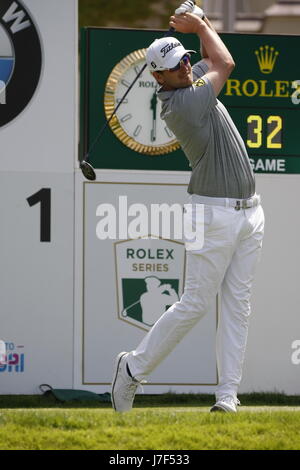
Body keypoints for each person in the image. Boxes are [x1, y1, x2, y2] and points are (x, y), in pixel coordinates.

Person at [111, 3, 265, 413]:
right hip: (211, 213)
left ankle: (227, 397)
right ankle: (132, 369)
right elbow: (226, 61)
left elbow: (211, 57)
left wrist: (201, 22)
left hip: (250, 212)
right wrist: (197, 23)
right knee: (195, 303)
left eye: (185, 59)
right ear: (158, 77)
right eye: (175, 66)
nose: (185, 67)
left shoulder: (191, 79)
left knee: (238, 305)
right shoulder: (181, 104)